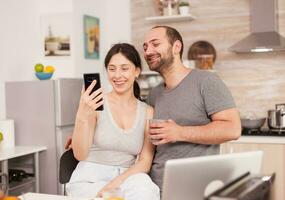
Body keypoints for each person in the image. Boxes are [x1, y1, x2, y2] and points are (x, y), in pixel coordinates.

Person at [142, 26, 241, 193]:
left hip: (195, 187)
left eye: (155, 44)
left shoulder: (206, 81)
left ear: (176, 47)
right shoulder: (154, 94)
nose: (148, 51)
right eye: (145, 47)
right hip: (156, 188)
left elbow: (233, 129)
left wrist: (179, 132)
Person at [66, 43, 160, 200]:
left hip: (127, 177)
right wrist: (82, 113)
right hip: (89, 179)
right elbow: (80, 154)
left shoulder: (148, 112)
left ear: (136, 71)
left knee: (146, 189)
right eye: (112, 69)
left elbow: (144, 162)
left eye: (124, 68)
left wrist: (112, 186)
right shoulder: (95, 104)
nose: (117, 75)